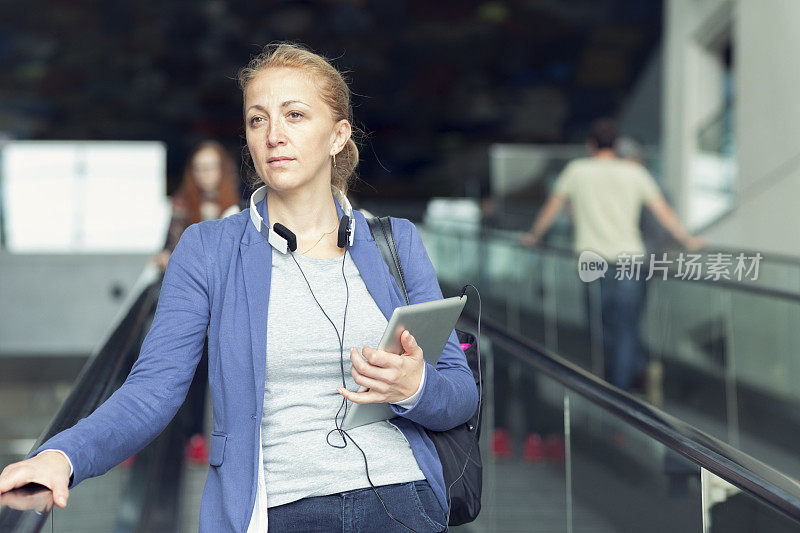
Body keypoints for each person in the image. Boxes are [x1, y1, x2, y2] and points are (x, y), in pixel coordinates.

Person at [0, 43, 477, 533]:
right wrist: (63, 456)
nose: (274, 135)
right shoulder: (208, 249)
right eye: (257, 119)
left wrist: (415, 387)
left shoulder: (396, 243)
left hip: (404, 501)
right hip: (282, 510)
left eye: (294, 115)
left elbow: (461, 394)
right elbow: (152, 391)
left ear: (337, 136)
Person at [519, 118, 704, 391]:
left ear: (590, 145)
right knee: (626, 326)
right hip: (630, 259)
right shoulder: (635, 172)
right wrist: (686, 239)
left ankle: (620, 386)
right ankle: (632, 372)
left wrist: (534, 236)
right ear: (616, 145)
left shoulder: (577, 170)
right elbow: (662, 210)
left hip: (592, 261)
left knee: (599, 325)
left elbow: (552, 207)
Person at [151, 140, 242, 272]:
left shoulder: (239, 205)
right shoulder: (182, 205)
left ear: (223, 169)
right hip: (190, 275)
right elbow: (170, 247)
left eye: (210, 167)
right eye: (198, 168)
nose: (204, 173)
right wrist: (166, 258)